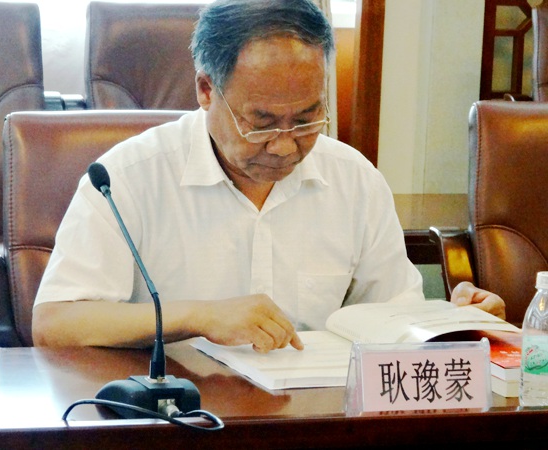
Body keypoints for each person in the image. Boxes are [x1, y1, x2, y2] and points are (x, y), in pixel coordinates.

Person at [32, 0, 503, 352]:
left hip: (314, 419)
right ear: (205, 89)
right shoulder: (127, 178)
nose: (284, 145)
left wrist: (456, 322)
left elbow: (394, 316)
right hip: (178, 418)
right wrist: (198, 317)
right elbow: (55, 324)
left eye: (306, 120)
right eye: (261, 123)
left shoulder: (354, 180)